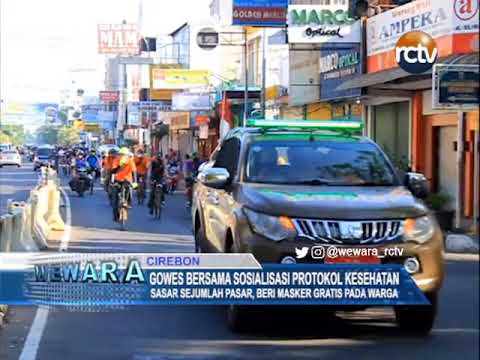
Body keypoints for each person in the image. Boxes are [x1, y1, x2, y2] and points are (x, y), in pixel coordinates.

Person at [111, 147, 137, 219]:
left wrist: (135, 182)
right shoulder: (116, 160)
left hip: (127, 180)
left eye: (124, 154)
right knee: (115, 199)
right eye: (121, 154)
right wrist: (119, 166)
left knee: (129, 190)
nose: (122, 156)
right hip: (118, 180)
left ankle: (128, 203)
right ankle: (115, 216)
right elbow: (113, 171)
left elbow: (134, 171)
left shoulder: (130, 161)